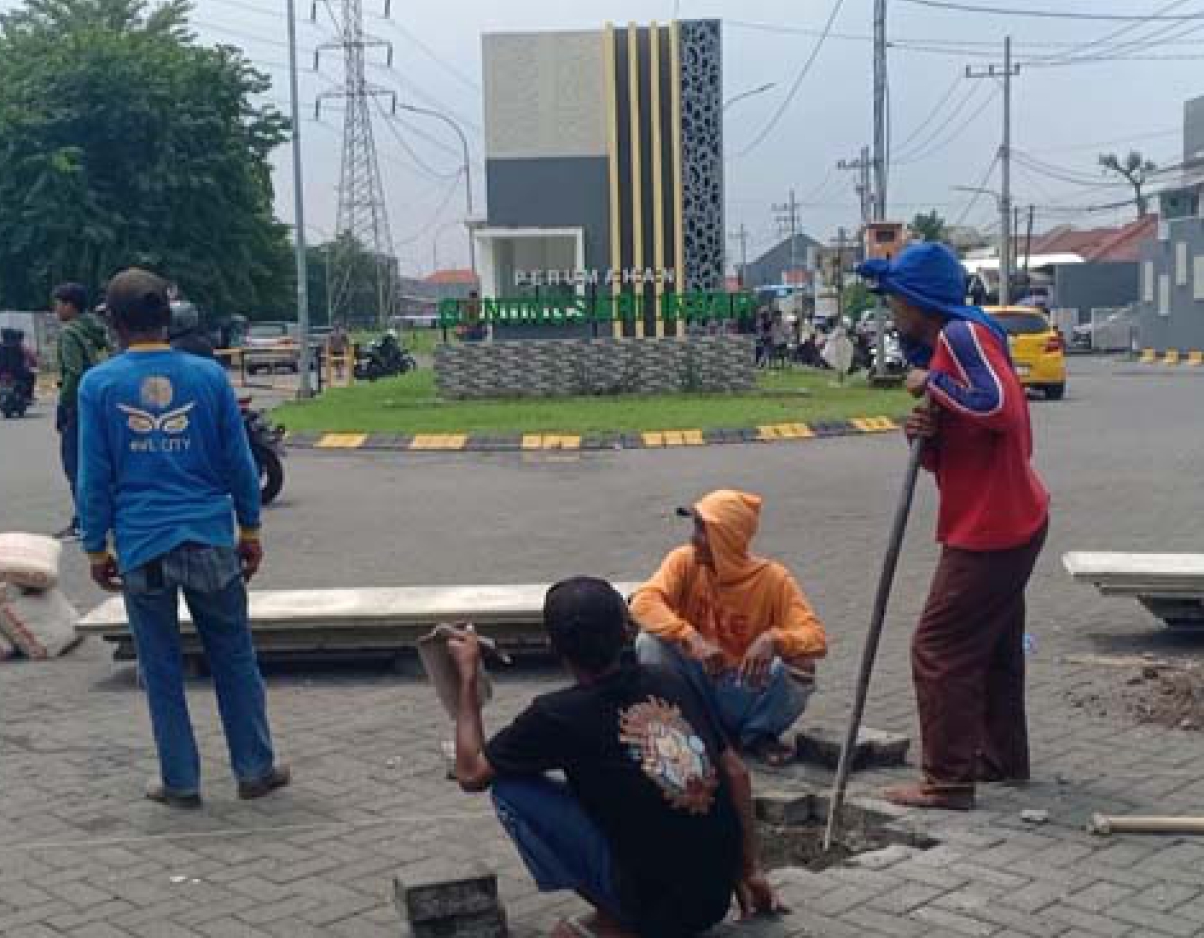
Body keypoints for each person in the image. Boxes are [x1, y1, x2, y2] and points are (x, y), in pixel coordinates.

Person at [448, 577, 779, 938]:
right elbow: (736, 772)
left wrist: (466, 676)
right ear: (626, 631)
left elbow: (469, 773)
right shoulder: (670, 679)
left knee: (510, 788)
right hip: (714, 898)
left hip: (654, 913)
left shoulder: (556, 715)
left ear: (553, 647)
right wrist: (750, 871)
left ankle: (618, 921)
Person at [77, 268, 289, 809]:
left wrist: (97, 547)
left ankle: (180, 780)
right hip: (210, 539)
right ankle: (255, 768)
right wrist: (251, 527)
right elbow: (239, 461)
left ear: (116, 324)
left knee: (161, 666)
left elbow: (94, 474)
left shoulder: (98, 385)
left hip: (142, 545)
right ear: (166, 320)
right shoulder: (208, 377)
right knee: (234, 657)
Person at [858, 242, 1049, 812]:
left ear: (918, 299)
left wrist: (931, 385)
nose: (892, 311)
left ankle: (946, 781)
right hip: (1001, 515)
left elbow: (998, 408)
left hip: (993, 527)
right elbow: (970, 437)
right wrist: (928, 431)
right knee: (992, 648)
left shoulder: (961, 337)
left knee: (938, 648)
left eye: (895, 299)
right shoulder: (960, 340)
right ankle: (1000, 758)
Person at [630, 491, 827, 765]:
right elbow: (643, 602)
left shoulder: (773, 579)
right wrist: (691, 639)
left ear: (725, 539)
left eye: (701, 529)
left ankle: (757, 735)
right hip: (695, 687)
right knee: (649, 642)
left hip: (742, 688)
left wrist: (774, 640)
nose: (693, 538)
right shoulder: (683, 561)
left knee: (802, 664)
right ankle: (678, 730)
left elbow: (816, 638)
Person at [52, 283, 109, 540]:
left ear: (69, 306)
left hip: (78, 406)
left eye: (58, 304)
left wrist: (63, 406)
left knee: (75, 464)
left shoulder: (69, 333)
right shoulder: (98, 330)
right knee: (100, 463)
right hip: (101, 403)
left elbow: (73, 373)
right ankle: (104, 518)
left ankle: (83, 522)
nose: (55, 309)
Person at [0, 328, 37, 401]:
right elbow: (27, 360)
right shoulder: (18, 347)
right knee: (31, 376)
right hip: (16, 374)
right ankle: (29, 395)